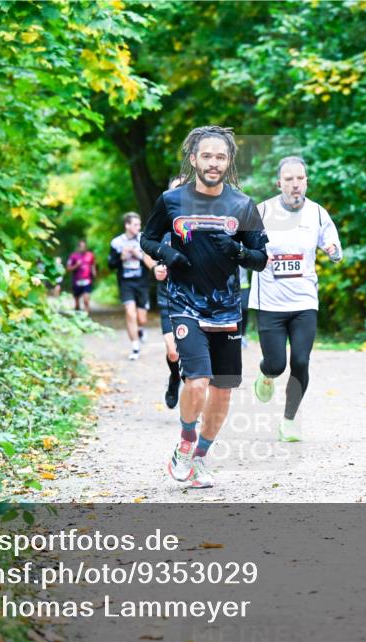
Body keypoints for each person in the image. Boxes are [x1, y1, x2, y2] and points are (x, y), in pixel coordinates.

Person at [140, 126, 269, 489]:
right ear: (194, 159)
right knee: (196, 382)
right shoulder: (171, 201)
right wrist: (166, 253)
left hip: (227, 310)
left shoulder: (243, 205)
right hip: (185, 304)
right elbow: (147, 238)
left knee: (223, 390)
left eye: (221, 157)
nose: (213, 163)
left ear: (228, 162)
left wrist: (240, 252)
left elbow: (261, 258)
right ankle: (184, 444)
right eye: (207, 156)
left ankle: (199, 459)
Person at [249, 156, 342, 442]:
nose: (295, 184)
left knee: (301, 361)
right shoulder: (262, 211)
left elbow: (337, 249)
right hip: (270, 303)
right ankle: (266, 374)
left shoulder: (317, 213)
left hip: (304, 302)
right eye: (288, 179)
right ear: (279, 183)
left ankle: (289, 420)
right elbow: (243, 251)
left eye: (300, 178)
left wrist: (332, 250)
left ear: (306, 181)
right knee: (276, 364)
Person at [147, 176, 186, 409]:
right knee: (173, 352)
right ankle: (174, 378)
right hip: (168, 296)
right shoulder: (162, 222)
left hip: (195, 297)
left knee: (194, 354)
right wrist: (155, 268)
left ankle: (193, 396)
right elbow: (146, 245)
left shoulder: (201, 222)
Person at [109, 212, 150, 361]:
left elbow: (150, 260)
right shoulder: (117, 243)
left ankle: (140, 329)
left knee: (142, 318)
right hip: (126, 283)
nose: (138, 228)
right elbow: (110, 264)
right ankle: (135, 347)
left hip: (142, 283)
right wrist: (121, 257)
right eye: (135, 225)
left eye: (139, 225)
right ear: (127, 225)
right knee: (130, 313)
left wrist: (137, 254)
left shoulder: (143, 240)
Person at [65, 240, 96, 314]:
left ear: (86, 247)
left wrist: (94, 272)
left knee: (86, 300)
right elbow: (68, 268)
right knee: (77, 303)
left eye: (84, 246)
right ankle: (77, 311)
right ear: (78, 247)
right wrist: (76, 265)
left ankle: (86, 316)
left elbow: (93, 264)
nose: (83, 248)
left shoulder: (90, 255)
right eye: (81, 246)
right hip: (77, 281)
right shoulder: (73, 256)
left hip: (87, 280)